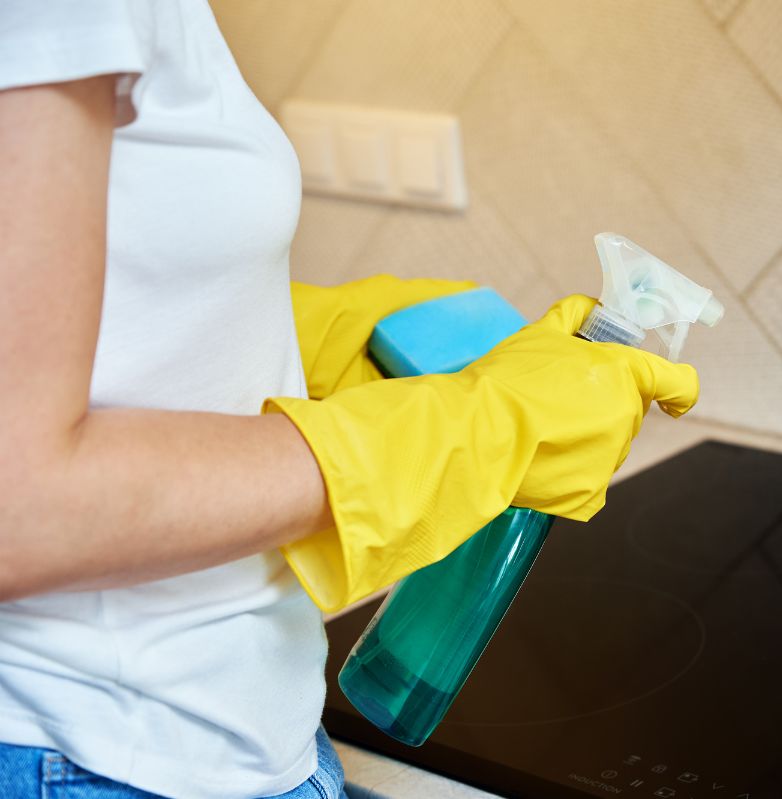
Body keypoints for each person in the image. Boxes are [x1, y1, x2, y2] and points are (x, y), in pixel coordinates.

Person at [0, 3, 699, 798]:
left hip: (223, 733)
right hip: (92, 744)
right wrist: (462, 427)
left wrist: (328, 335)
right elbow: (17, 508)